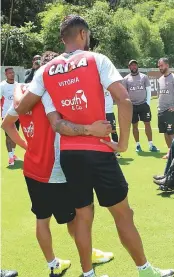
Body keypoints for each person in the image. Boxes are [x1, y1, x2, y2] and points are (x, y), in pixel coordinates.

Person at [14, 15, 174, 277]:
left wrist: (19, 93)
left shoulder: (45, 71)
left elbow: (47, 120)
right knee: (123, 214)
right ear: (82, 35)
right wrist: (122, 143)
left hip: (69, 156)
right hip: (99, 152)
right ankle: (144, 270)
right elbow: (123, 99)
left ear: (62, 38)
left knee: (82, 217)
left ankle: (88, 274)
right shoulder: (96, 60)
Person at [2, 51, 114, 277]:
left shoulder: (23, 95)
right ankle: (88, 256)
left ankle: (53, 264)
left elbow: (6, 124)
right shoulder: (53, 95)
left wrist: (26, 147)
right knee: (76, 216)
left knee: (42, 219)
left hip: (32, 168)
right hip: (54, 171)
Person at [123, 60, 159, 152]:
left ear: (137, 66)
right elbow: (125, 93)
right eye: (132, 65)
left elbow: (148, 90)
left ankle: (151, 144)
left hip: (143, 105)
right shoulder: (126, 79)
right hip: (132, 106)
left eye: (135, 65)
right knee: (134, 125)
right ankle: (138, 145)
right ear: (129, 67)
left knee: (147, 124)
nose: (134, 67)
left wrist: (147, 103)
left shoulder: (144, 77)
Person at [157, 58, 174, 159]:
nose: (160, 68)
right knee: (165, 132)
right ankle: (170, 152)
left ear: (167, 65)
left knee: (171, 133)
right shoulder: (160, 79)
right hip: (161, 110)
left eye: (162, 65)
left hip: (170, 110)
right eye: (159, 66)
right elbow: (160, 94)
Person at [0, 67, 19, 166]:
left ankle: (14, 154)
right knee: (8, 136)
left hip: (17, 115)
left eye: (13, 72)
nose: (12, 74)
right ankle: (10, 157)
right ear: (6, 74)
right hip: (6, 115)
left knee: (15, 136)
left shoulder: (17, 85)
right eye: (10, 73)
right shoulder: (2, 85)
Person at [104, 89, 120, 156]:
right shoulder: (96, 88)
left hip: (110, 112)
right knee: (103, 132)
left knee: (113, 131)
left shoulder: (109, 87)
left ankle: (116, 150)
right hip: (101, 112)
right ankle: (103, 150)